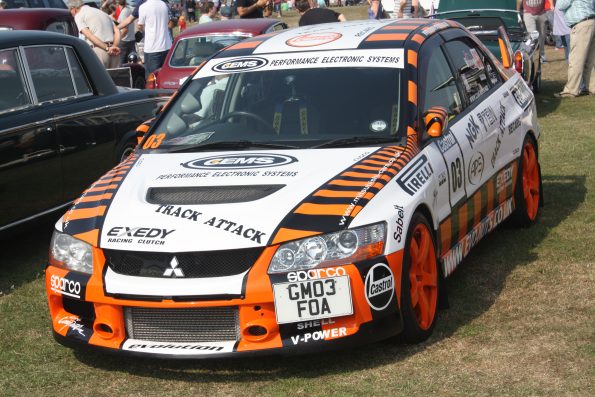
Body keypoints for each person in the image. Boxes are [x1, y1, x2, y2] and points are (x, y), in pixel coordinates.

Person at [555, 0, 595, 97]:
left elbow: (561, 5)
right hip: (591, 21)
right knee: (591, 61)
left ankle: (570, 90)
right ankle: (592, 88)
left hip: (581, 25)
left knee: (576, 60)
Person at [67, 0, 121, 68]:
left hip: (99, 50)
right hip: (115, 52)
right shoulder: (102, 13)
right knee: (116, 78)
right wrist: (114, 46)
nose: (71, 14)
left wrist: (107, 48)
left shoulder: (79, 15)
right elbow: (117, 31)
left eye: (70, 11)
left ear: (73, 9)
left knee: (99, 78)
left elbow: (88, 35)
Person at [138, 0, 172, 76]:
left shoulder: (143, 7)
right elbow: (167, 22)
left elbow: (140, 25)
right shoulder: (163, 4)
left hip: (152, 48)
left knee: (152, 78)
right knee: (165, 76)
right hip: (166, 46)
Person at [117, 0, 136, 66]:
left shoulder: (124, 12)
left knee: (122, 63)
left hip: (124, 41)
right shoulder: (129, 9)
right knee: (132, 62)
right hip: (131, 39)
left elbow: (125, 29)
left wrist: (118, 39)